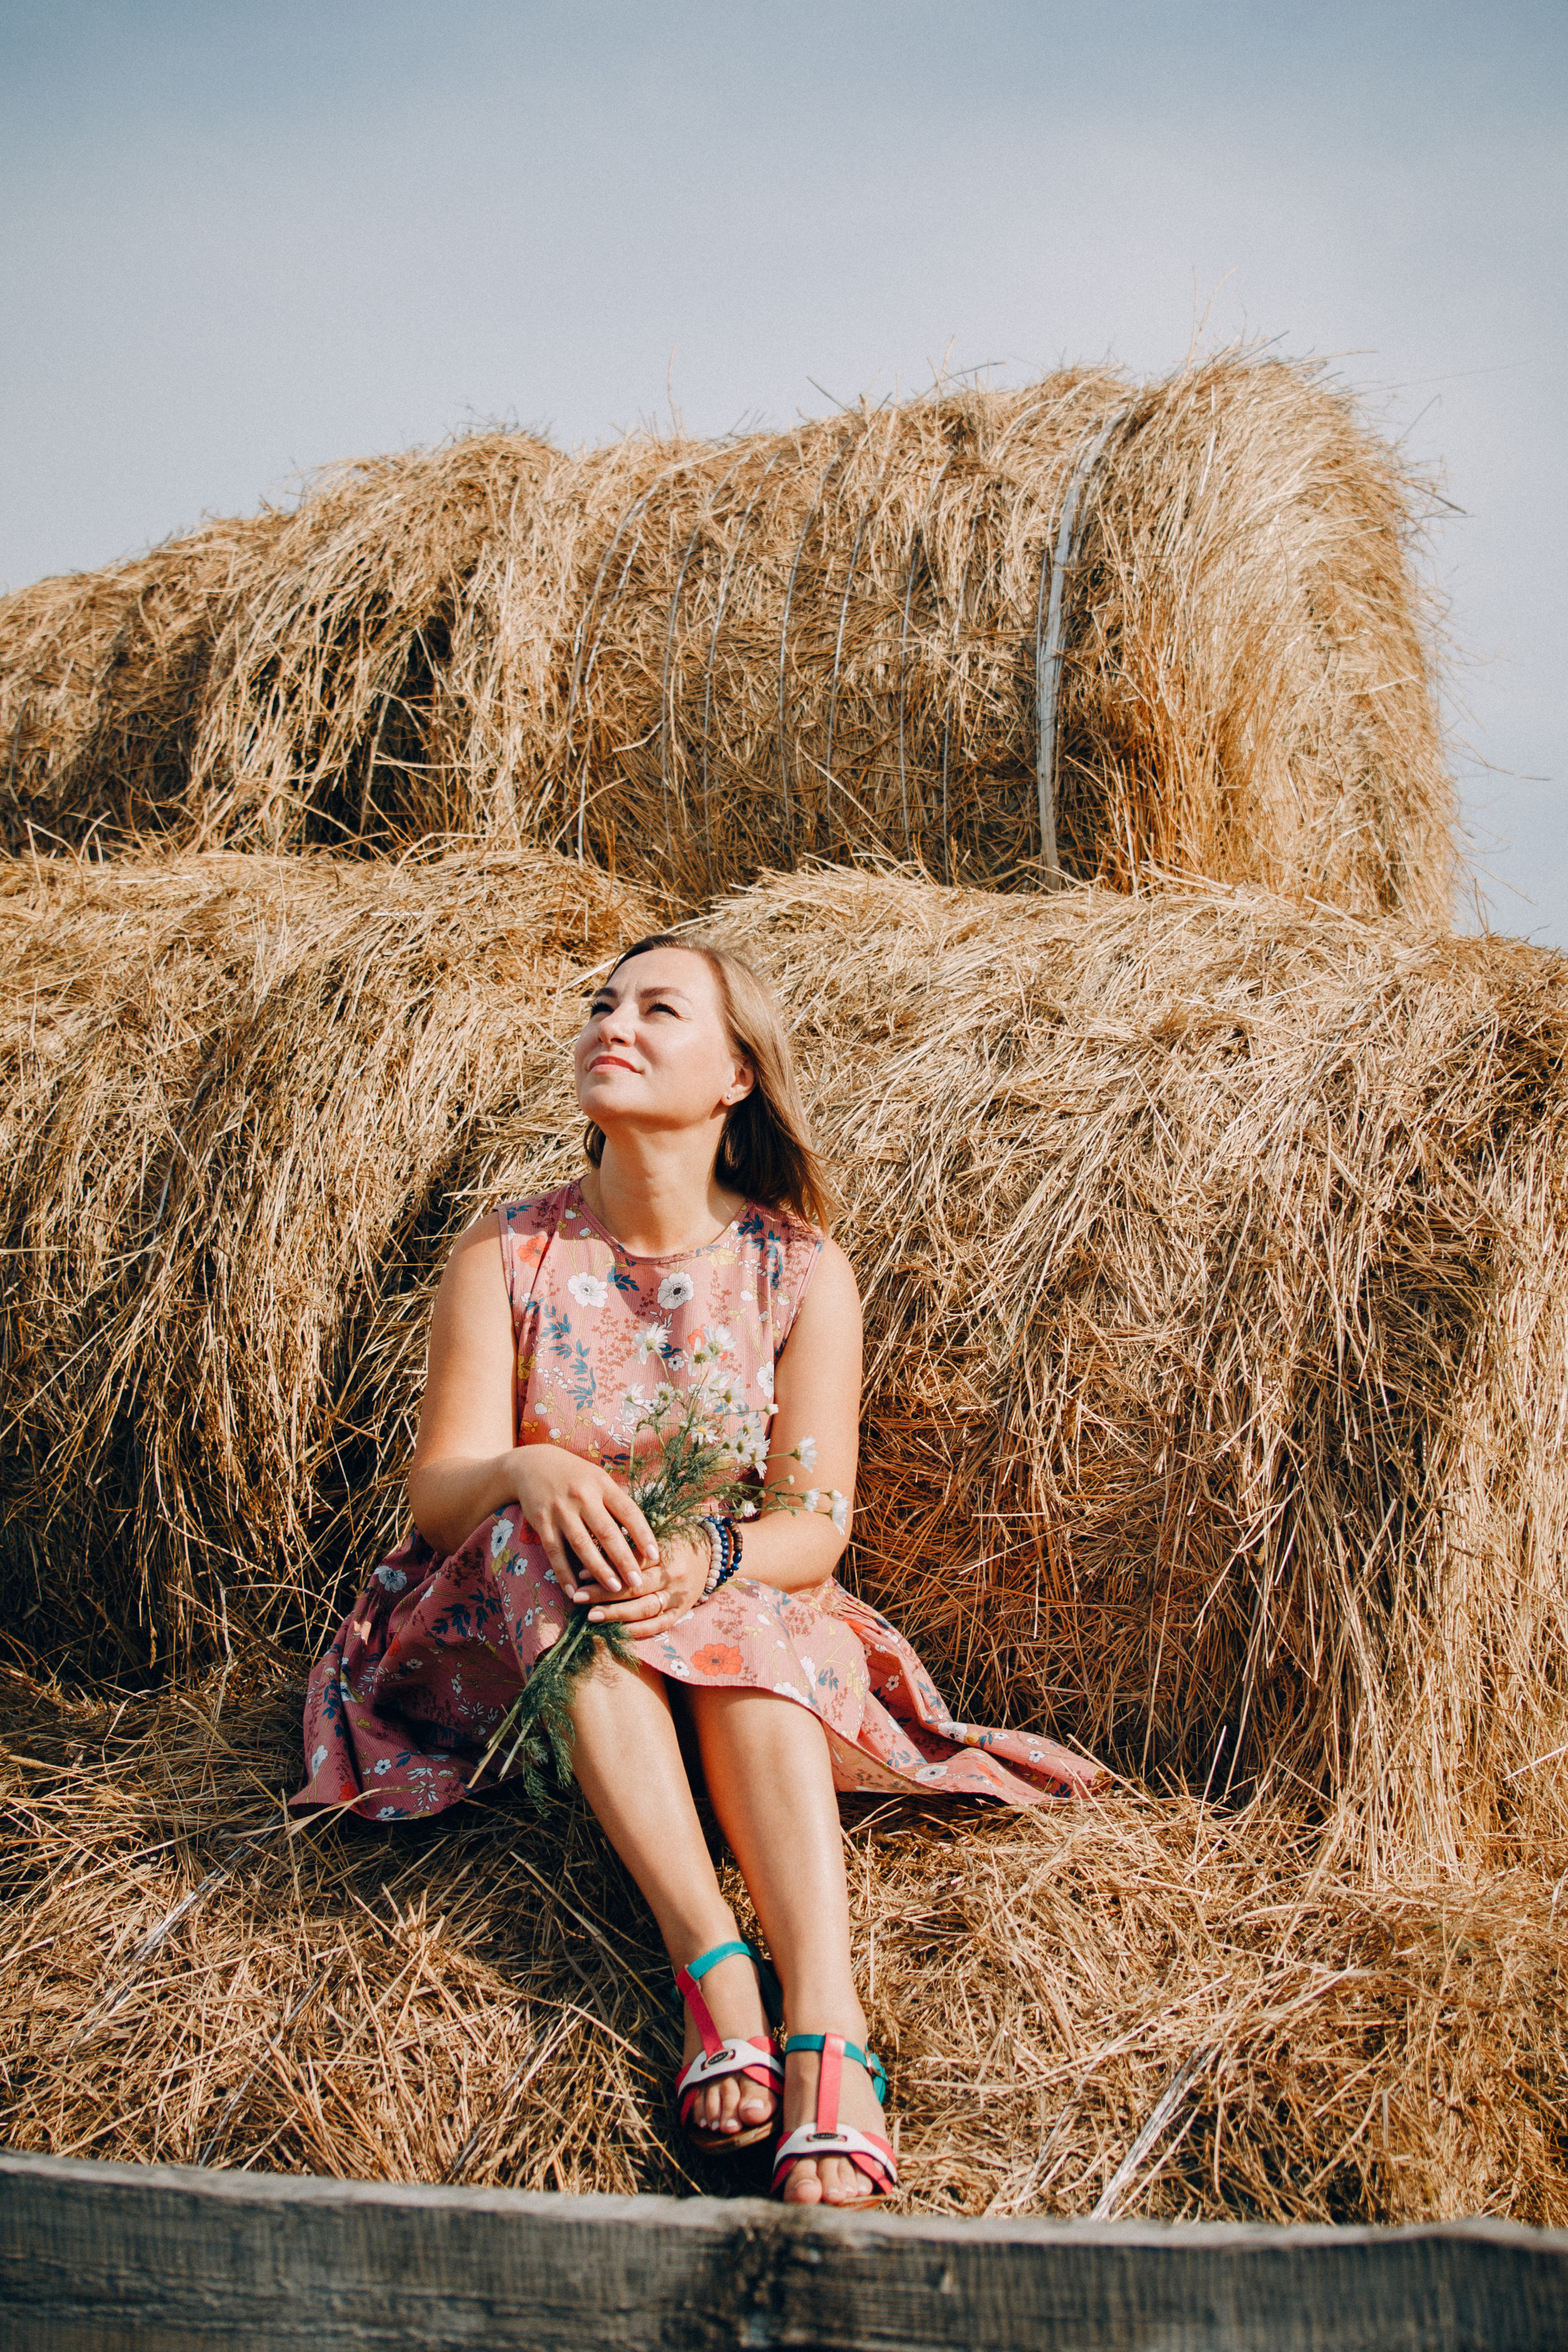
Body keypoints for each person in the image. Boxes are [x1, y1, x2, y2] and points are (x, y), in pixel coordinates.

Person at [294, 933, 1100, 2204]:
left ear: (734, 1076)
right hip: (514, 1631)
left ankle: (823, 2016)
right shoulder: (505, 1255)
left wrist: (702, 1555)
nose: (613, 1022)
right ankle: (711, 1964)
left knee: (748, 1607)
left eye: (658, 1010)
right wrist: (525, 1472)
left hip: (712, 1602)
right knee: (536, 1544)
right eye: (602, 1004)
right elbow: (438, 1497)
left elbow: (810, 1522)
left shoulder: (797, 1271)